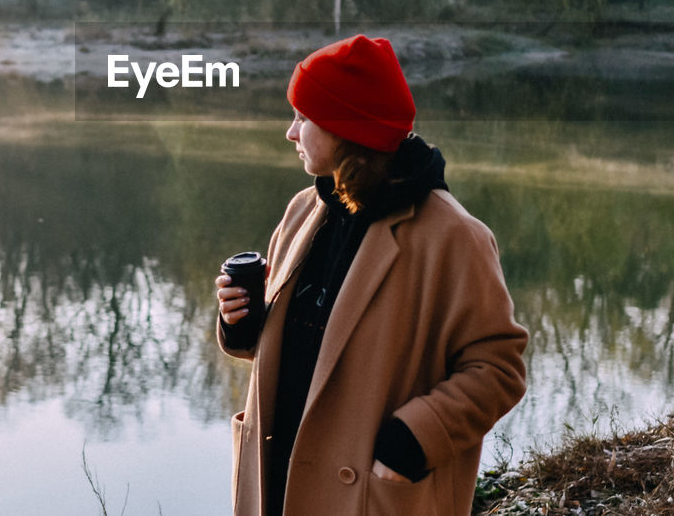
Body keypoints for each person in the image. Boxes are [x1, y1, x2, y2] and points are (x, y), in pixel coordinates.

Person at [215, 34, 528, 516]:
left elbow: (498, 370)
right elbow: (308, 351)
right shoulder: (304, 210)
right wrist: (241, 323)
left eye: (303, 118)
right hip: (277, 485)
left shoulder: (454, 238)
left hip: (367, 497)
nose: (290, 133)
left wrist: (412, 441)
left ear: (345, 129)